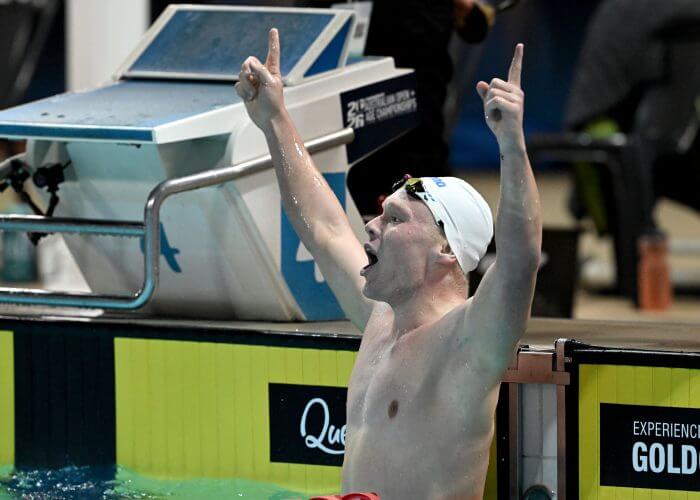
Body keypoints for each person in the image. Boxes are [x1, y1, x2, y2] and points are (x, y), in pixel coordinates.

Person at [236, 29, 541, 499]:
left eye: (394, 218)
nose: (371, 226)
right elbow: (324, 228)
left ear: (445, 251)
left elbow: (520, 262)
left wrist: (512, 146)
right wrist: (273, 118)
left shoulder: (468, 343)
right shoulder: (380, 321)